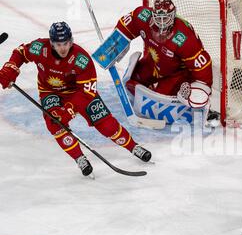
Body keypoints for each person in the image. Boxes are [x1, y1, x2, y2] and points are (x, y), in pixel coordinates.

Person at [0, 22, 152, 177]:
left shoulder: (81, 59)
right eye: (58, 44)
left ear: (71, 40)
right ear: (51, 43)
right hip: (50, 92)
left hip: (78, 92)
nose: (63, 48)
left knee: (105, 124)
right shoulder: (40, 48)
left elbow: (87, 92)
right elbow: (20, 53)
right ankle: (79, 157)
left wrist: (70, 109)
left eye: (65, 43)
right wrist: (10, 67)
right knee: (55, 123)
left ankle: (133, 147)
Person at [113, 0, 218, 122]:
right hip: (153, 62)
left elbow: (203, 66)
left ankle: (183, 95)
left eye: (166, 18)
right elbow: (126, 25)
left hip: (175, 73)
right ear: (152, 13)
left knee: (159, 102)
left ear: (173, 15)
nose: (162, 22)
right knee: (131, 83)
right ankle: (153, 87)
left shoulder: (184, 37)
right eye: (159, 17)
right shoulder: (142, 15)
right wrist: (114, 45)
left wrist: (200, 89)